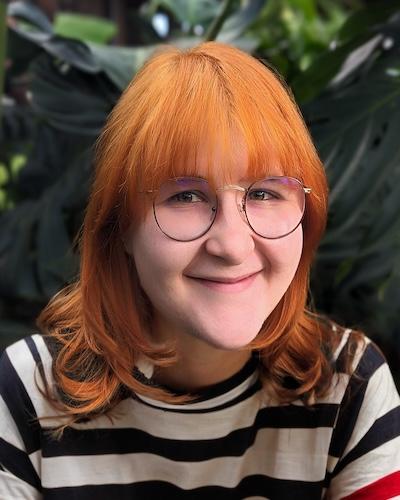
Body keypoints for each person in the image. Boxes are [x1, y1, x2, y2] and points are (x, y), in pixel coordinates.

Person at [0, 42, 399, 500]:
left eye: (266, 192)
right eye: (185, 196)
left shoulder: (348, 386)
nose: (232, 245)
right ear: (120, 229)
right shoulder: (29, 393)